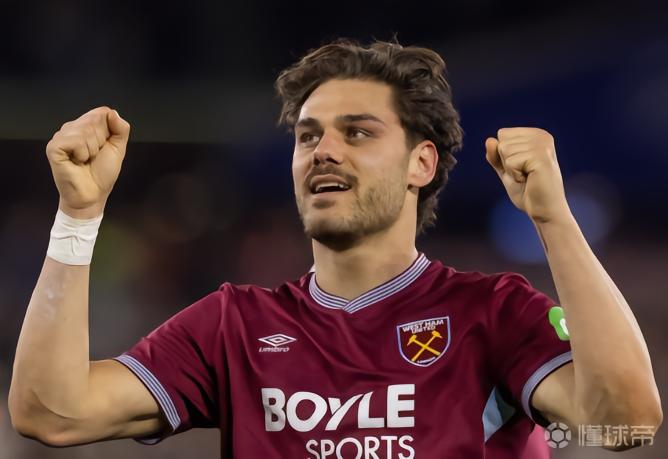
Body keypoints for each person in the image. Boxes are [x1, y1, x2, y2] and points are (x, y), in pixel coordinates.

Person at [8, 39, 662, 458]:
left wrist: (553, 218)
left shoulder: (493, 314)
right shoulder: (234, 326)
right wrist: (78, 216)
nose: (323, 150)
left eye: (358, 132)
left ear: (421, 162)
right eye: (308, 135)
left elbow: (626, 422)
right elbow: (51, 412)